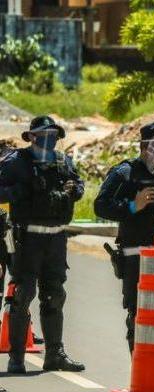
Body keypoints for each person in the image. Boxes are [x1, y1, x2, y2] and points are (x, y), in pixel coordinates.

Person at [0, 115, 85, 374]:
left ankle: (55, 354)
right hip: (27, 237)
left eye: (54, 134)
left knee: (55, 294)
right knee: (23, 294)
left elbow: (78, 184)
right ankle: (17, 358)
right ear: (33, 136)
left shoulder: (63, 161)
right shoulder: (16, 162)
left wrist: (74, 191)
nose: (50, 138)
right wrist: (24, 190)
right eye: (44, 133)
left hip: (56, 237)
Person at [94, 122, 154, 352]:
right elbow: (100, 206)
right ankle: (139, 373)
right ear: (144, 146)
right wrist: (132, 205)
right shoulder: (125, 172)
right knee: (138, 316)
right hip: (136, 256)